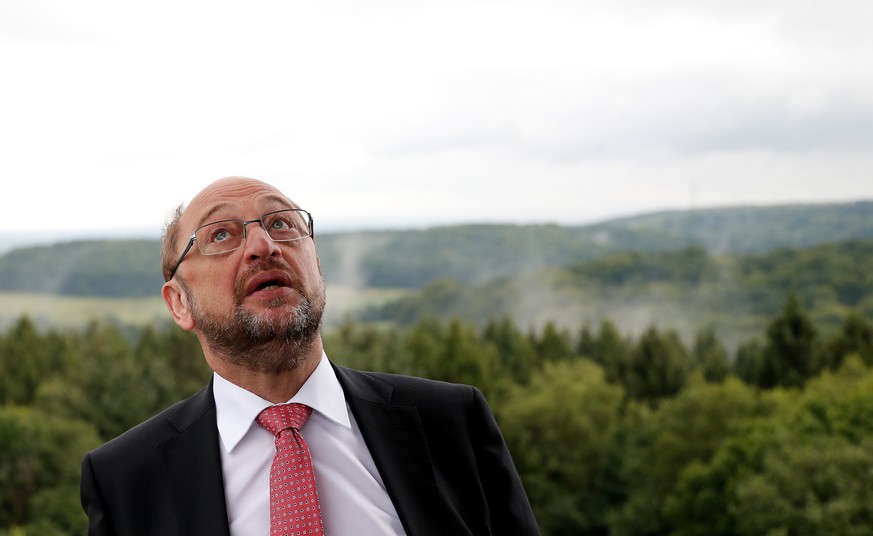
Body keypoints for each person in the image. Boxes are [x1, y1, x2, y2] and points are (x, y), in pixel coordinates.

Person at [80, 176, 539, 535]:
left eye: (281, 224)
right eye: (220, 234)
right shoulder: (125, 479)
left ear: (317, 267)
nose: (264, 246)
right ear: (179, 303)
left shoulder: (450, 422)